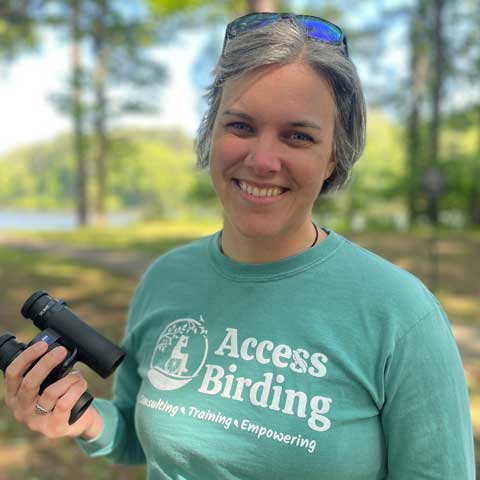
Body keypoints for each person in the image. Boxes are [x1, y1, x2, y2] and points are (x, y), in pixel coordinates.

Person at [3, 12, 475, 480]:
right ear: (212, 132)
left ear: (333, 155)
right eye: (242, 126)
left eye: (297, 135)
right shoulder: (167, 279)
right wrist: (82, 420)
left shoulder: (401, 315)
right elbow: (131, 432)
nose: (263, 160)